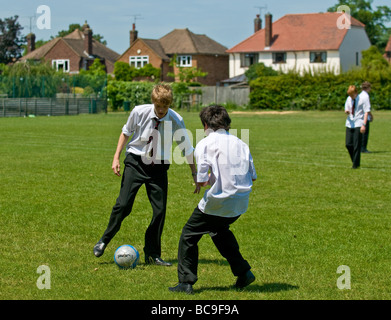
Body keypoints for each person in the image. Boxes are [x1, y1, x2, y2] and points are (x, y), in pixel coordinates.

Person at [93, 83, 198, 266]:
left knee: (159, 211)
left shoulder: (175, 119)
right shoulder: (139, 112)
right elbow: (125, 133)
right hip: (136, 162)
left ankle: (153, 255)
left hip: (158, 167)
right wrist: (116, 158)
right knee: (123, 205)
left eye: (165, 107)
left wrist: (194, 173)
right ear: (153, 102)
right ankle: (104, 240)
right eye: (158, 106)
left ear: (170, 104)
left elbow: (187, 148)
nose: (161, 110)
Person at [169, 105, 257, 294]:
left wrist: (201, 183)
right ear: (227, 124)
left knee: (189, 235)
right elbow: (253, 175)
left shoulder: (205, 143)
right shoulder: (241, 143)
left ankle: (186, 283)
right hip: (241, 203)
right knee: (219, 231)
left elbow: (202, 178)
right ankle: (244, 273)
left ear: (205, 125)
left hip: (220, 200)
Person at [344, 85, 370, 169]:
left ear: (356, 93)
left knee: (356, 144)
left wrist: (364, 125)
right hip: (350, 123)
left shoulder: (362, 99)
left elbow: (366, 112)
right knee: (348, 144)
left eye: (352, 95)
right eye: (350, 95)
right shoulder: (348, 99)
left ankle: (355, 164)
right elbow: (347, 109)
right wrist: (347, 111)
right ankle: (355, 160)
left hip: (359, 123)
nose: (351, 97)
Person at [359, 81, 374, 153]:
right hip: (365, 117)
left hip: (359, 116)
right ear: (367, 88)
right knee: (365, 133)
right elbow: (367, 108)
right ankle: (363, 148)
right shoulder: (366, 96)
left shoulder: (360, 95)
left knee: (360, 133)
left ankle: (359, 147)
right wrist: (371, 115)